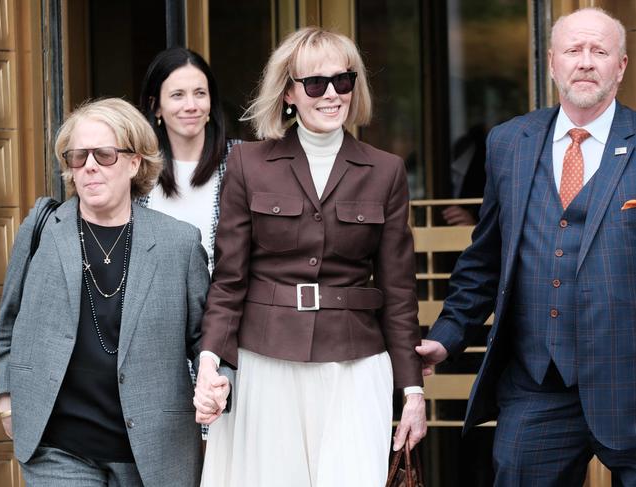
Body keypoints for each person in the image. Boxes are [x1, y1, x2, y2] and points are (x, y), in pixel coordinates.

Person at [193, 26, 426, 487]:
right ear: (288, 94)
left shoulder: (386, 170)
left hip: (355, 365)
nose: (331, 95)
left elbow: (399, 292)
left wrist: (413, 392)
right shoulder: (248, 164)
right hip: (266, 359)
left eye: (343, 81)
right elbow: (229, 279)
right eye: (315, 84)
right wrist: (208, 363)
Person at [417, 7, 636, 486]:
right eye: (573, 50)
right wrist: (447, 335)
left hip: (629, 384)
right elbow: (485, 260)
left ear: (621, 66)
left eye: (599, 51)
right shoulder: (509, 143)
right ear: (552, 61)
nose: (585, 61)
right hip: (538, 383)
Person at [0, 98, 209, 486]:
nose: (89, 166)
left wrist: (218, 379)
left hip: (152, 450)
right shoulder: (42, 230)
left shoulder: (179, 243)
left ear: (134, 162)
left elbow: (203, 339)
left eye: (104, 155)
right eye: (78, 157)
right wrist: (7, 401)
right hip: (59, 447)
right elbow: (8, 323)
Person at [138, 47, 240, 275]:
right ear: (155, 106)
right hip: (161, 303)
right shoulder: (137, 169)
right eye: (178, 95)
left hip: (225, 304)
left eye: (200, 93)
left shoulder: (241, 160)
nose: (191, 105)